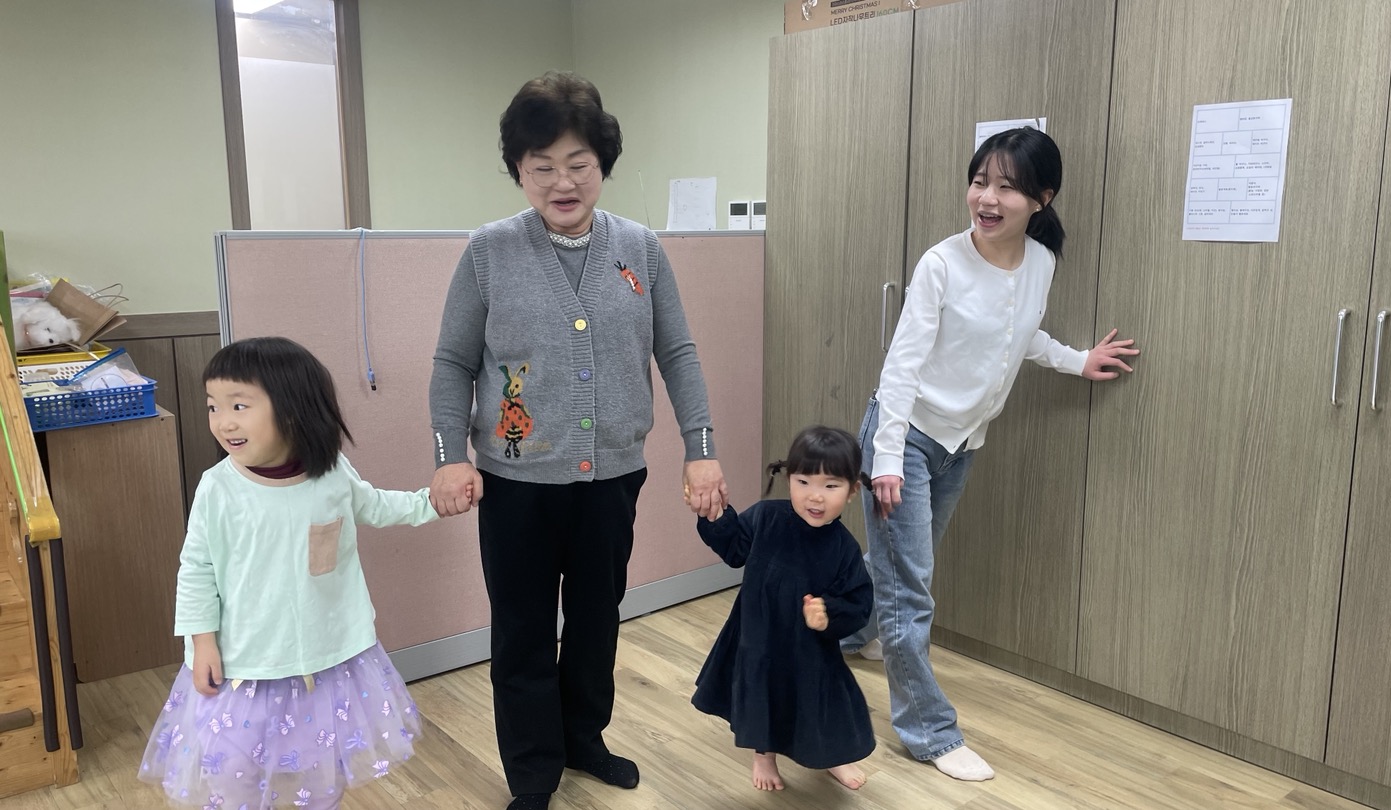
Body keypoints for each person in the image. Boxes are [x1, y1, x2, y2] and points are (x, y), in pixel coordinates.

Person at [427, 71, 729, 810]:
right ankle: (533, 771)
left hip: (612, 478)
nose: (562, 183)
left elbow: (678, 352)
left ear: (602, 164)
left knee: (597, 621)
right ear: (518, 170)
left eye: (578, 164)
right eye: (542, 167)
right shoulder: (490, 251)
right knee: (524, 631)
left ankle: (583, 739)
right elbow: (453, 362)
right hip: (517, 483)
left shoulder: (641, 249)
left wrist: (701, 447)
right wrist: (448, 457)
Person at [841, 128, 1140, 781]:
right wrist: (885, 460)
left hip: (962, 443)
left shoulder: (1040, 261)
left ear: (1041, 197)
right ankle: (928, 731)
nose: (987, 197)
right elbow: (901, 368)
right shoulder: (941, 264)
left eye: (1006, 186)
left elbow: (1018, 334)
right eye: (980, 181)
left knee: (899, 567)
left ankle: (842, 631)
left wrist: (1077, 360)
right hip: (905, 438)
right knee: (910, 588)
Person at [138, 336, 444, 809]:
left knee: (322, 763)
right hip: (245, 664)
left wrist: (434, 503)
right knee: (234, 768)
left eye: (239, 405)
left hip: (326, 658)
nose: (223, 421)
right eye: (213, 406)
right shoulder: (218, 488)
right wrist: (202, 642)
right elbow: (196, 568)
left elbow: (378, 506)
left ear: (294, 409)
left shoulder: (332, 474)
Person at [693, 426, 875, 793]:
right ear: (789, 478)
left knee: (825, 702)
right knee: (764, 695)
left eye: (830, 486)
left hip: (811, 649)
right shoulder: (767, 517)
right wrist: (716, 516)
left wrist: (827, 613)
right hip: (759, 637)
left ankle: (832, 755)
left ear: (853, 491)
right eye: (803, 482)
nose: (815, 496)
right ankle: (764, 755)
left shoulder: (844, 548)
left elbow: (858, 602)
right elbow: (735, 549)